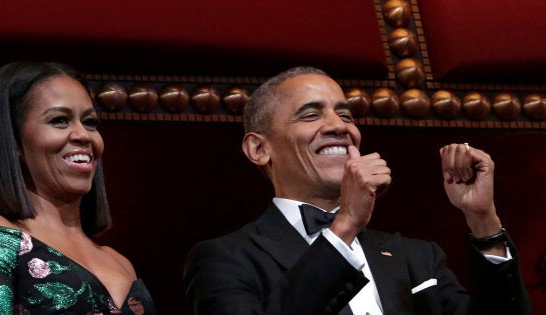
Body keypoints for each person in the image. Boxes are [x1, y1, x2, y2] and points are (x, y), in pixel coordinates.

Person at [183, 66, 530, 314]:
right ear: (259, 149)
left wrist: (483, 220)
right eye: (310, 116)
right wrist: (345, 225)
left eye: (345, 115)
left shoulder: (416, 257)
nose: (338, 126)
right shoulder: (224, 259)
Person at [0, 62, 156, 314]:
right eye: (60, 120)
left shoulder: (120, 262)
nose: (83, 134)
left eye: (90, 122)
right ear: (14, 140)